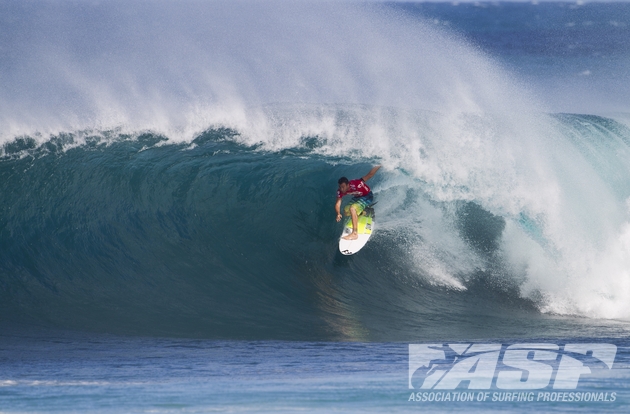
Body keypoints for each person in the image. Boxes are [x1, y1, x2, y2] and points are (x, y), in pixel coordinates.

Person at [336, 165, 381, 240]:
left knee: (352, 208)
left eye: (343, 187)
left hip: (367, 196)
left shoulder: (356, 183)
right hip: (357, 197)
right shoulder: (340, 191)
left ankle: (354, 233)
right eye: (340, 187)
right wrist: (338, 213)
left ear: (348, 185)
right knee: (346, 211)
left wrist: (379, 165)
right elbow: (338, 203)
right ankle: (362, 211)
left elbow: (369, 175)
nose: (341, 189)